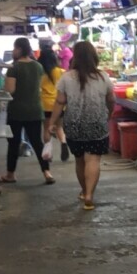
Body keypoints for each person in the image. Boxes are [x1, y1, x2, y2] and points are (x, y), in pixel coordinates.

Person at [48, 42, 114, 211]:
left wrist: (52, 122)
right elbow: (111, 100)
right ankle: (90, 195)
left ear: (75, 57)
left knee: (79, 160)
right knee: (93, 159)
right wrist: (109, 115)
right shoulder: (103, 77)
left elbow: (60, 102)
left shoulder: (66, 77)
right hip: (97, 123)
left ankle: (84, 191)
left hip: (74, 124)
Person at [0, 37, 54, 185]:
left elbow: (11, 90)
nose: (13, 51)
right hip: (35, 110)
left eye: (14, 48)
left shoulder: (14, 68)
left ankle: (10, 174)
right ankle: (47, 173)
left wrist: (3, 89)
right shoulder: (38, 66)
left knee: (13, 143)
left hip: (17, 111)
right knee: (37, 143)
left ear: (19, 49)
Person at [39, 47, 70, 162]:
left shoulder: (40, 72)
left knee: (47, 128)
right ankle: (63, 142)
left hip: (45, 104)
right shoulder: (60, 72)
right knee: (59, 127)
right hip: (59, 104)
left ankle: (48, 152)